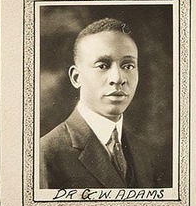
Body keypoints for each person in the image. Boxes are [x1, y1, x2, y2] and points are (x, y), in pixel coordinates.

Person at [39, 17, 163, 189]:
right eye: (103, 66)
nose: (118, 79)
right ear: (76, 77)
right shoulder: (46, 154)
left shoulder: (145, 153)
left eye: (128, 66)